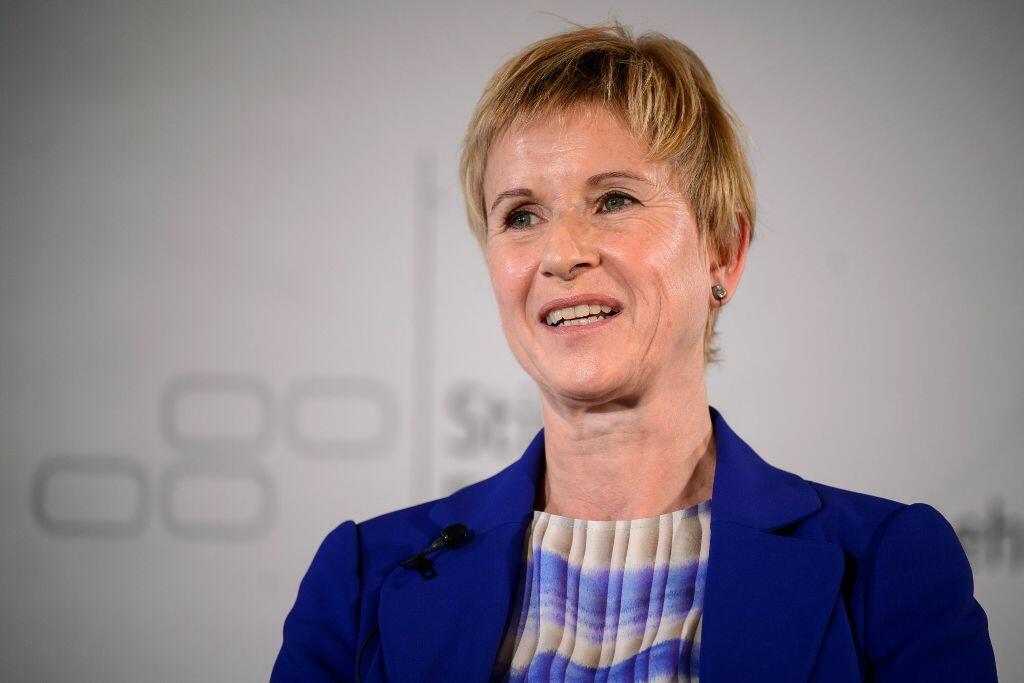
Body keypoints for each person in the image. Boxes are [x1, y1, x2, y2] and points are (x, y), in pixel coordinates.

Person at [270, 23, 998, 682]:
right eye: (521, 214)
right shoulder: (362, 580)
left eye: (613, 200)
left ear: (723, 250)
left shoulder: (888, 569)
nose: (562, 253)